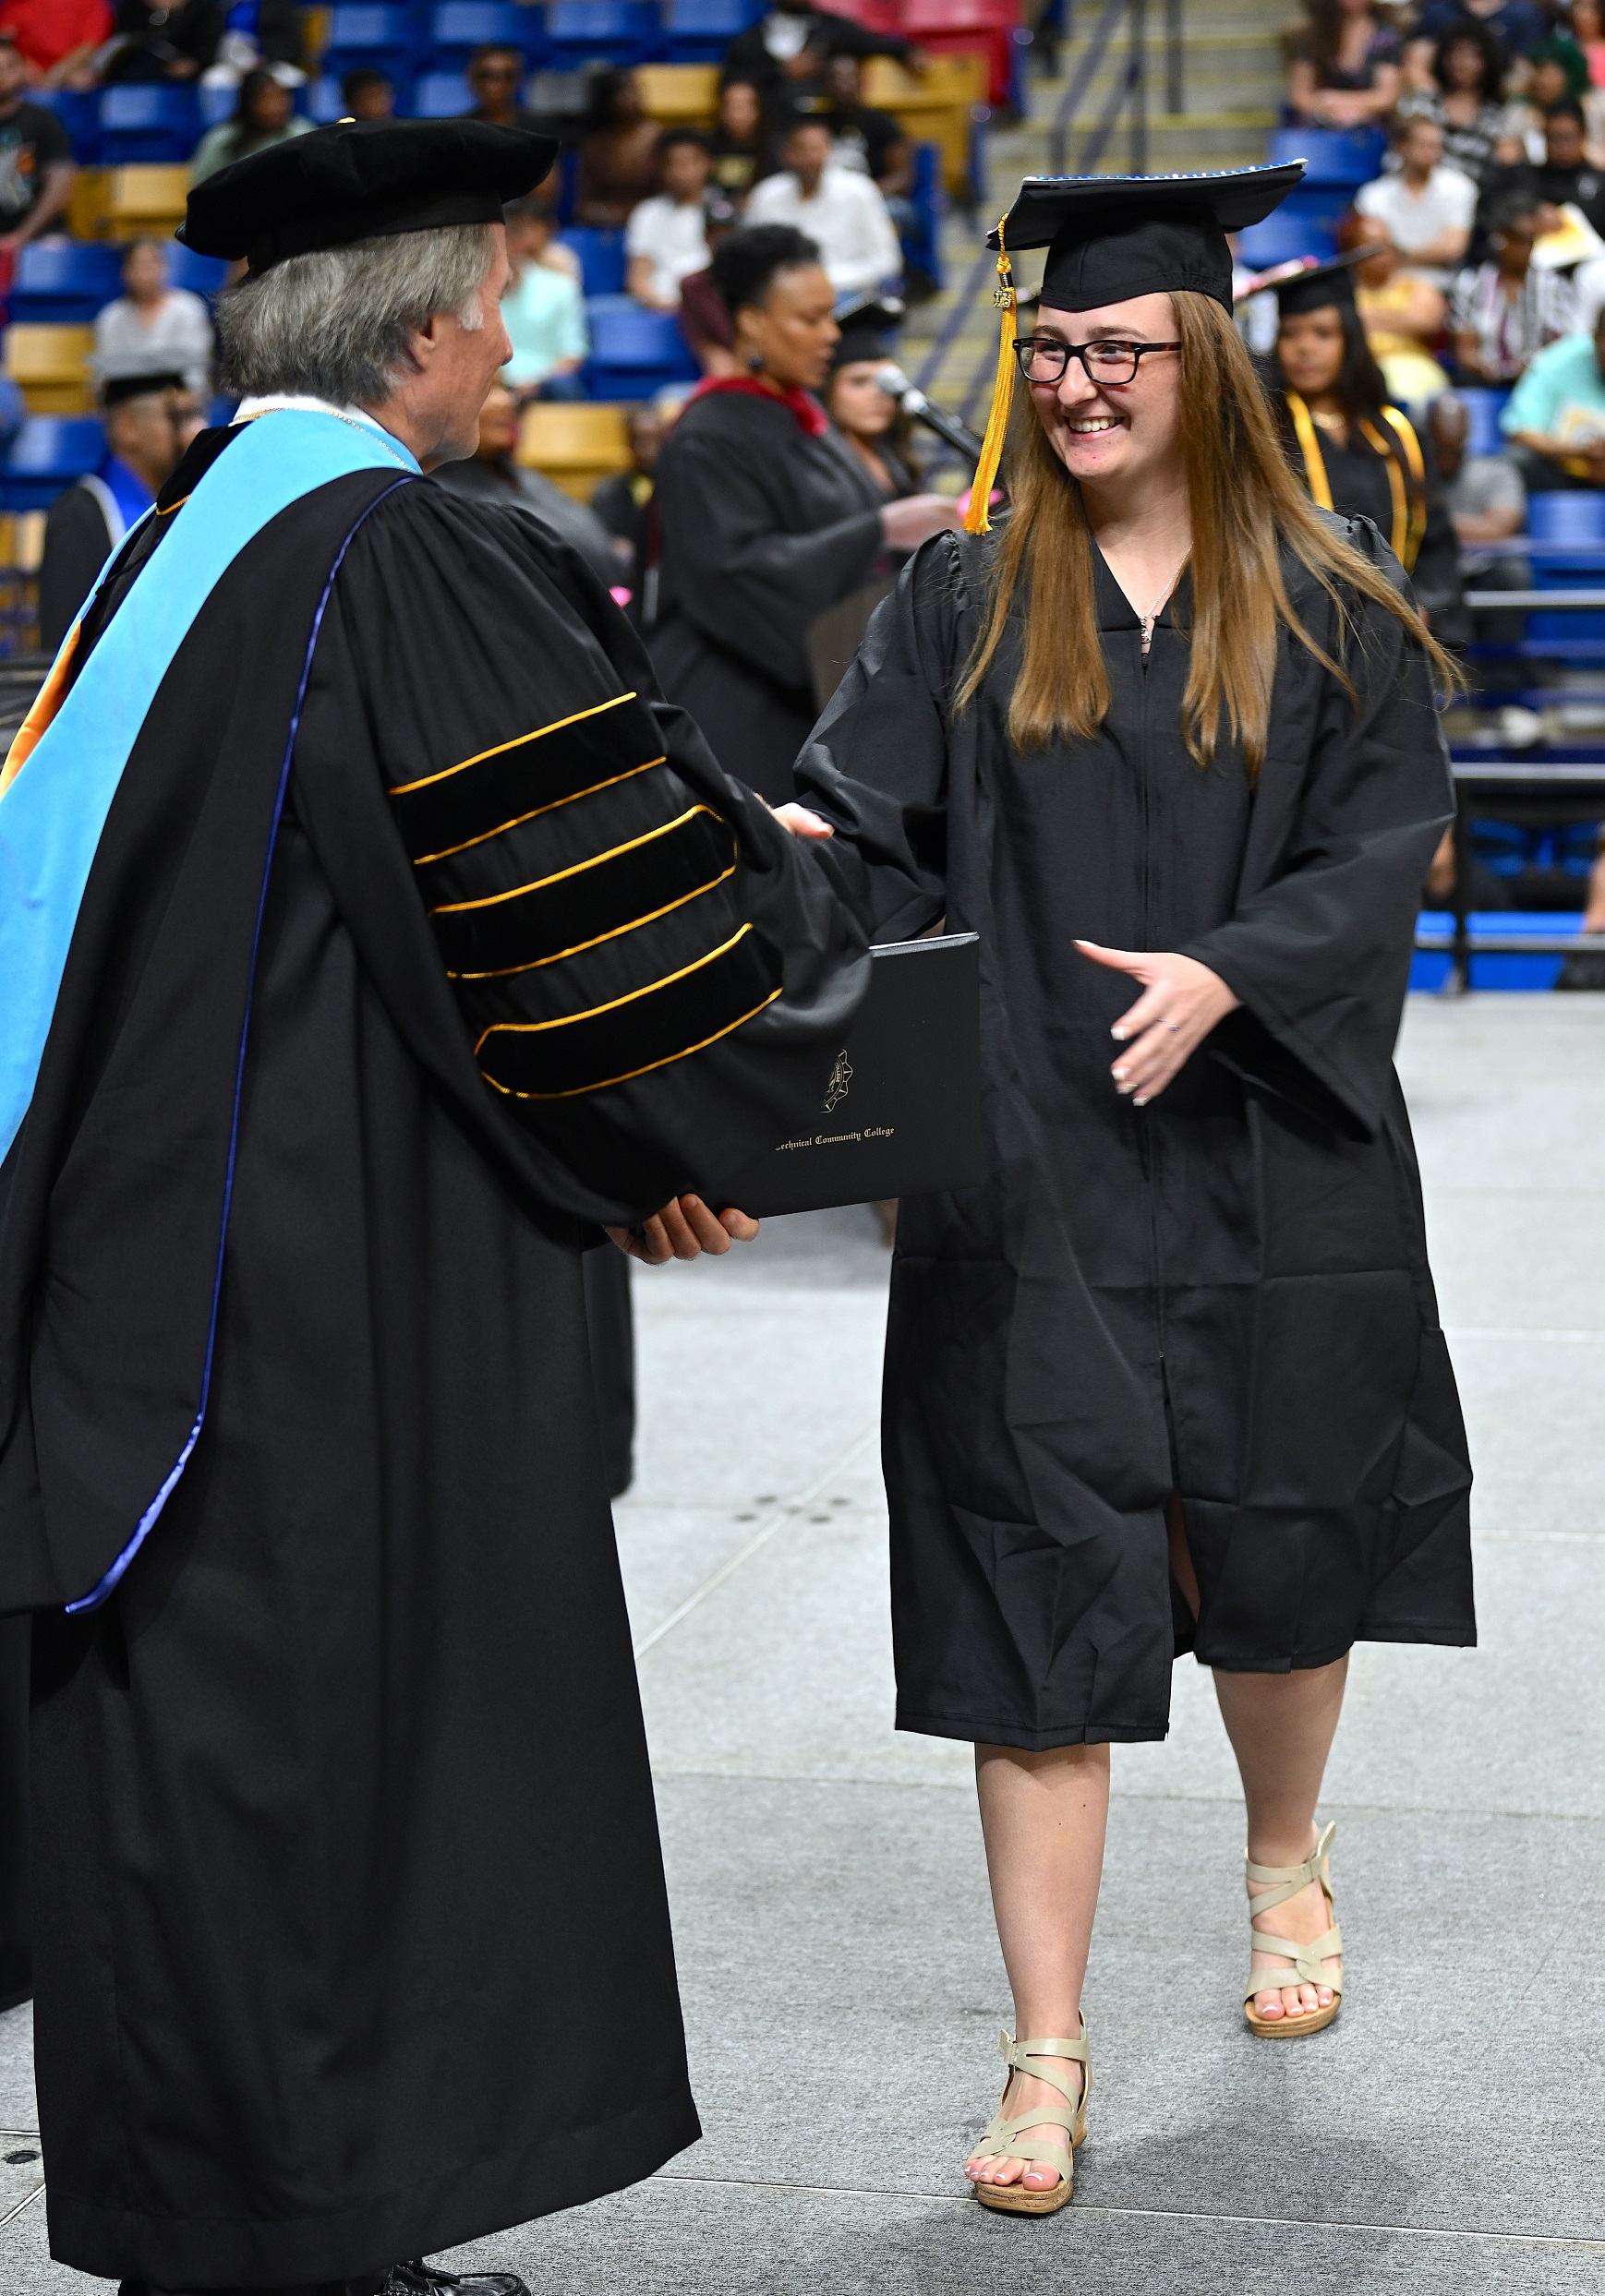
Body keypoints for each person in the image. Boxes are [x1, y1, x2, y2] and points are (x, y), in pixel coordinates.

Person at [0, 114, 868, 2296]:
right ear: (419, 330)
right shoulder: (390, 548)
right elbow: (575, 905)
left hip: (151, 1271)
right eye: (496, 305)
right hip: (304, 1293)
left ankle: (274, 2228)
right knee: (312, 1750)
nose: (508, 349)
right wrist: (748, 1008)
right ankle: (291, 2243)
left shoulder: (175, 535)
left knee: (217, 1770)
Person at [777, 161, 1474, 2214]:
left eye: (1118, 351)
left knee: (1274, 1525)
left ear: (1206, 361)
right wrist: (773, 846)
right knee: (1030, 1570)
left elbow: (1383, 841)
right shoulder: (960, 593)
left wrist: (1233, 973)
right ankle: (1044, 2049)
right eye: (1053, 349)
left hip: (1273, 1149)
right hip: (1032, 1157)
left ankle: (1279, 1859)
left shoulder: (1333, 594)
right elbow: (861, 830)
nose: (1077, 384)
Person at [649, 222, 959, 799]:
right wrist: (881, 529)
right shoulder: (707, 436)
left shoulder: (807, 423)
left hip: (815, 706)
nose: (829, 337)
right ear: (751, 321)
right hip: (740, 718)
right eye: (809, 319)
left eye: (829, 315)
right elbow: (734, 576)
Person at [1269, 251, 1465, 631]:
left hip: (1396, 630)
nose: (1305, 348)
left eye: (1323, 333)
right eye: (1290, 333)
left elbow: (1435, 537)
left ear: (1351, 340)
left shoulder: (1396, 434)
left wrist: (1422, 604)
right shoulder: (1265, 432)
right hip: (1300, 631)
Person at [36, 367, 190, 654]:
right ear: (129, 428)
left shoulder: (179, 509)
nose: (193, 430)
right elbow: (61, 652)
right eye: (176, 419)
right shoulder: (80, 516)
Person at [431, 376, 621, 587]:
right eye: (487, 389)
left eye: (505, 389)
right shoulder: (443, 500)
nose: (506, 401)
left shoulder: (527, 478)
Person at [745, 116, 901, 300]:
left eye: (818, 148)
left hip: (850, 292)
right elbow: (751, 258)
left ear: (831, 151)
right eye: (801, 150)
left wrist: (822, 281)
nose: (811, 158)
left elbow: (887, 261)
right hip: (785, 297)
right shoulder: (766, 195)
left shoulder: (859, 191)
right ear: (785, 154)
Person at [720, 0, 914, 127]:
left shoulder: (834, 29)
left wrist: (909, 51)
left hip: (828, 132)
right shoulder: (749, 41)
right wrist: (781, 71)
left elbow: (879, 45)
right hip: (770, 134)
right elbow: (730, 84)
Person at [1451, 191, 1575, 379]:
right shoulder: (1470, 284)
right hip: (1483, 381)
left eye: (1531, 240)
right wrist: (1487, 368)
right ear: (1500, 239)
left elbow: (1560, 348)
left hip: (1538, 380)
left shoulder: (1553, 286)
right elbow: (1465, 350)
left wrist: (1532, 365)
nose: (1526, 249)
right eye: (1518, 239)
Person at [1353, 114, 1477, 289]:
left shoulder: (1460, 187)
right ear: (1401, 147)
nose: (1432, 153)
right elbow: (1373, 253)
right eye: (1424, 145)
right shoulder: (1373, 195)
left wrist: (1401, 257)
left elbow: (1453, 248)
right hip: (1386, 284)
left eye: (1436, 146)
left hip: (1441, 285)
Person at [1341, 221, 1451, 403]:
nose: (1382, 253)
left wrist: (1364, 317)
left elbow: (1425, 324)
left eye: (1386, 245)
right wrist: (1399, 319)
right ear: (1352, 252)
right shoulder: (1341, 293)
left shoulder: (1419, 287)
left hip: (1412, 366)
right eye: (1371, 246)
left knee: (1399, 386)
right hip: (1356, 369)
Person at [93, 234, 214, 396]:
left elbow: (196, 373)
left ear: (164, 267)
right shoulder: (111, 317)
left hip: (181, 404)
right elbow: (104, 377)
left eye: (151, 264)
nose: (145, 274)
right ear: (125, 272)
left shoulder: (189, 309)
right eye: (137, 265)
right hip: (129, 407)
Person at [822, 295, 919, 499]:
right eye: (858, 382)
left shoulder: (894, 454)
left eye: (887, 381)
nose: (878, 394)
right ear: (828, 391)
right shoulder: (819, 471)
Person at [1500, 303, 1605, 484]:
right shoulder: (1558, 361)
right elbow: (1520, 433)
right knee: (1514, 462)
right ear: (1595, 338)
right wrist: (1580, 452)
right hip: (1563, 470)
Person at [1395, 24, 1511, 186]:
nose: (1462, 63)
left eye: (1473, 56)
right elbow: (1396, 158)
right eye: (1456, 54)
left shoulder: (1496, 117)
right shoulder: (1421, 102)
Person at [500, 195, 587, 396]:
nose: (503, 246)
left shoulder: (561, 287)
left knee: (563, 387)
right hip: (492, 384)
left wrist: (534, 384)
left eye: (511, 237)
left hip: (545, 386)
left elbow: (573, 354)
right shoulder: (471, 293)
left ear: (522, 241)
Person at [0, 30, 74, 264]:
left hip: (42, 234)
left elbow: (60, 183)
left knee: (56, 256)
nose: (1, 75)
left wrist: (21, 236)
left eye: (9, 67)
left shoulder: (43, 119)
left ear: (22, 70)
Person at [625, 128, 714, 309]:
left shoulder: (724, 211)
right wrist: (665, 305)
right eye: (672, 163)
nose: (680, 172)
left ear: (708, 164)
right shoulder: (648, 212)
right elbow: (638, 280)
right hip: (660, 307)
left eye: (688, 162)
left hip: (708, 310)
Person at [1284, 0, 1402, 128]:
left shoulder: (1387, 39)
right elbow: (1300, 95)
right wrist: (1326, 107)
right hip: (1318, 119)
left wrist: (1343, 103)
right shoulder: (1311, 36)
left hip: (1369, 123)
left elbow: (1386, 96)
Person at [188, 63, 311, 180]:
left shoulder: (302, 133)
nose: (277, 108)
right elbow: (201, 186)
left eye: (281, 99)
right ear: (248, 104)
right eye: (267, 100)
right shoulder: (223, 140)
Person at [591, 401, 661, 596]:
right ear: (628, 443)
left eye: (655, 441)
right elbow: (598, 540)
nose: (647, 449)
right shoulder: (607, 493)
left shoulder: (677, 491)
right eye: (639, 441)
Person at [575, 66, 660, 228]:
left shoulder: (658, 141)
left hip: (653, 227)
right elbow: (584, 207)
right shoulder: (595, 146)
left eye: (635, 90)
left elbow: (668, 200)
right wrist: (608, 214)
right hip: (605, 229)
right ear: (608, 99)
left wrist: (629, 214)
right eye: (624, 92)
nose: (633, 98)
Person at [1405, 0, 1547, 86]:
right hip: (1440, 94)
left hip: (1498, 101)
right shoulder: (1438, 11)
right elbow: (1416, 60)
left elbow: (1526, 69)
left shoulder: (1524, 15)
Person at [0, 0, 108, 81]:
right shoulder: (17, 3)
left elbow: (90, 44)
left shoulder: (92, 3)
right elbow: (5, 38)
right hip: (25, 67)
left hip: (71, 67)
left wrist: (58, 73)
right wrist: (25, 66)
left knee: (81, 80)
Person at [707, 74, 768, 200]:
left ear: (758, 110)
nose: (737, 115)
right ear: (720, 110)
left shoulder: (773, 147)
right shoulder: (706, 146)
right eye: (732, 106)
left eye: (744, 106)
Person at [463, 41, 544, 135]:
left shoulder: (540, 133)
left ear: (519, 80)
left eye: (508, 76)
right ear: (473, 79)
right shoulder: (459, 132)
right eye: (488, 75)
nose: (498, 83)